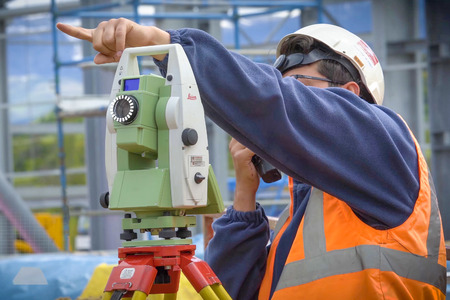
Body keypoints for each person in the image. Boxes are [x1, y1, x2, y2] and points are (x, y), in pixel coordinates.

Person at [57, 19, 447, 300]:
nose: (287, 95)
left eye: (299, 85)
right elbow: (230, 289)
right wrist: (246, 193)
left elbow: (274, 103)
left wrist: (169, 46)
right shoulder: (307, 213)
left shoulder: (384, 144)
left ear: (348, 93)